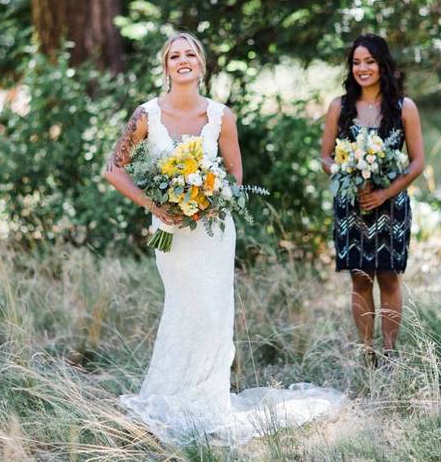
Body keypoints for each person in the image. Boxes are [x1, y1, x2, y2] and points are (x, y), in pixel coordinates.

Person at [103, 32, 342, 445]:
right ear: (165, 67)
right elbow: (113, 167)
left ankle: (209, 401)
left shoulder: (220, 116)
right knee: (184, 307)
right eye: (174, 55)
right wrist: (155, 205)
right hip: (171, 235)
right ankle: (170, 393)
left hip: (213, 233)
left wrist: (211, 199)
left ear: (201, 64)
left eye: (190, 54)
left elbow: (235, 176)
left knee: (214, 314)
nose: (183, 60)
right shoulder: (146, 115)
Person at [320, 34, 424, 365]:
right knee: (360, 276)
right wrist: (345, 174)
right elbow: (324, 157)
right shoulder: (340, 107)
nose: (362, 69)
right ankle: (367, 354)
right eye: (356, 62)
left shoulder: (403, 108)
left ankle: (390, 354)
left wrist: (384, 192)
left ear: (383, 65)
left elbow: (418, 161)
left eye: (369, 61)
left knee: (389, 275)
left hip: (391, 206)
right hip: (351, 205)